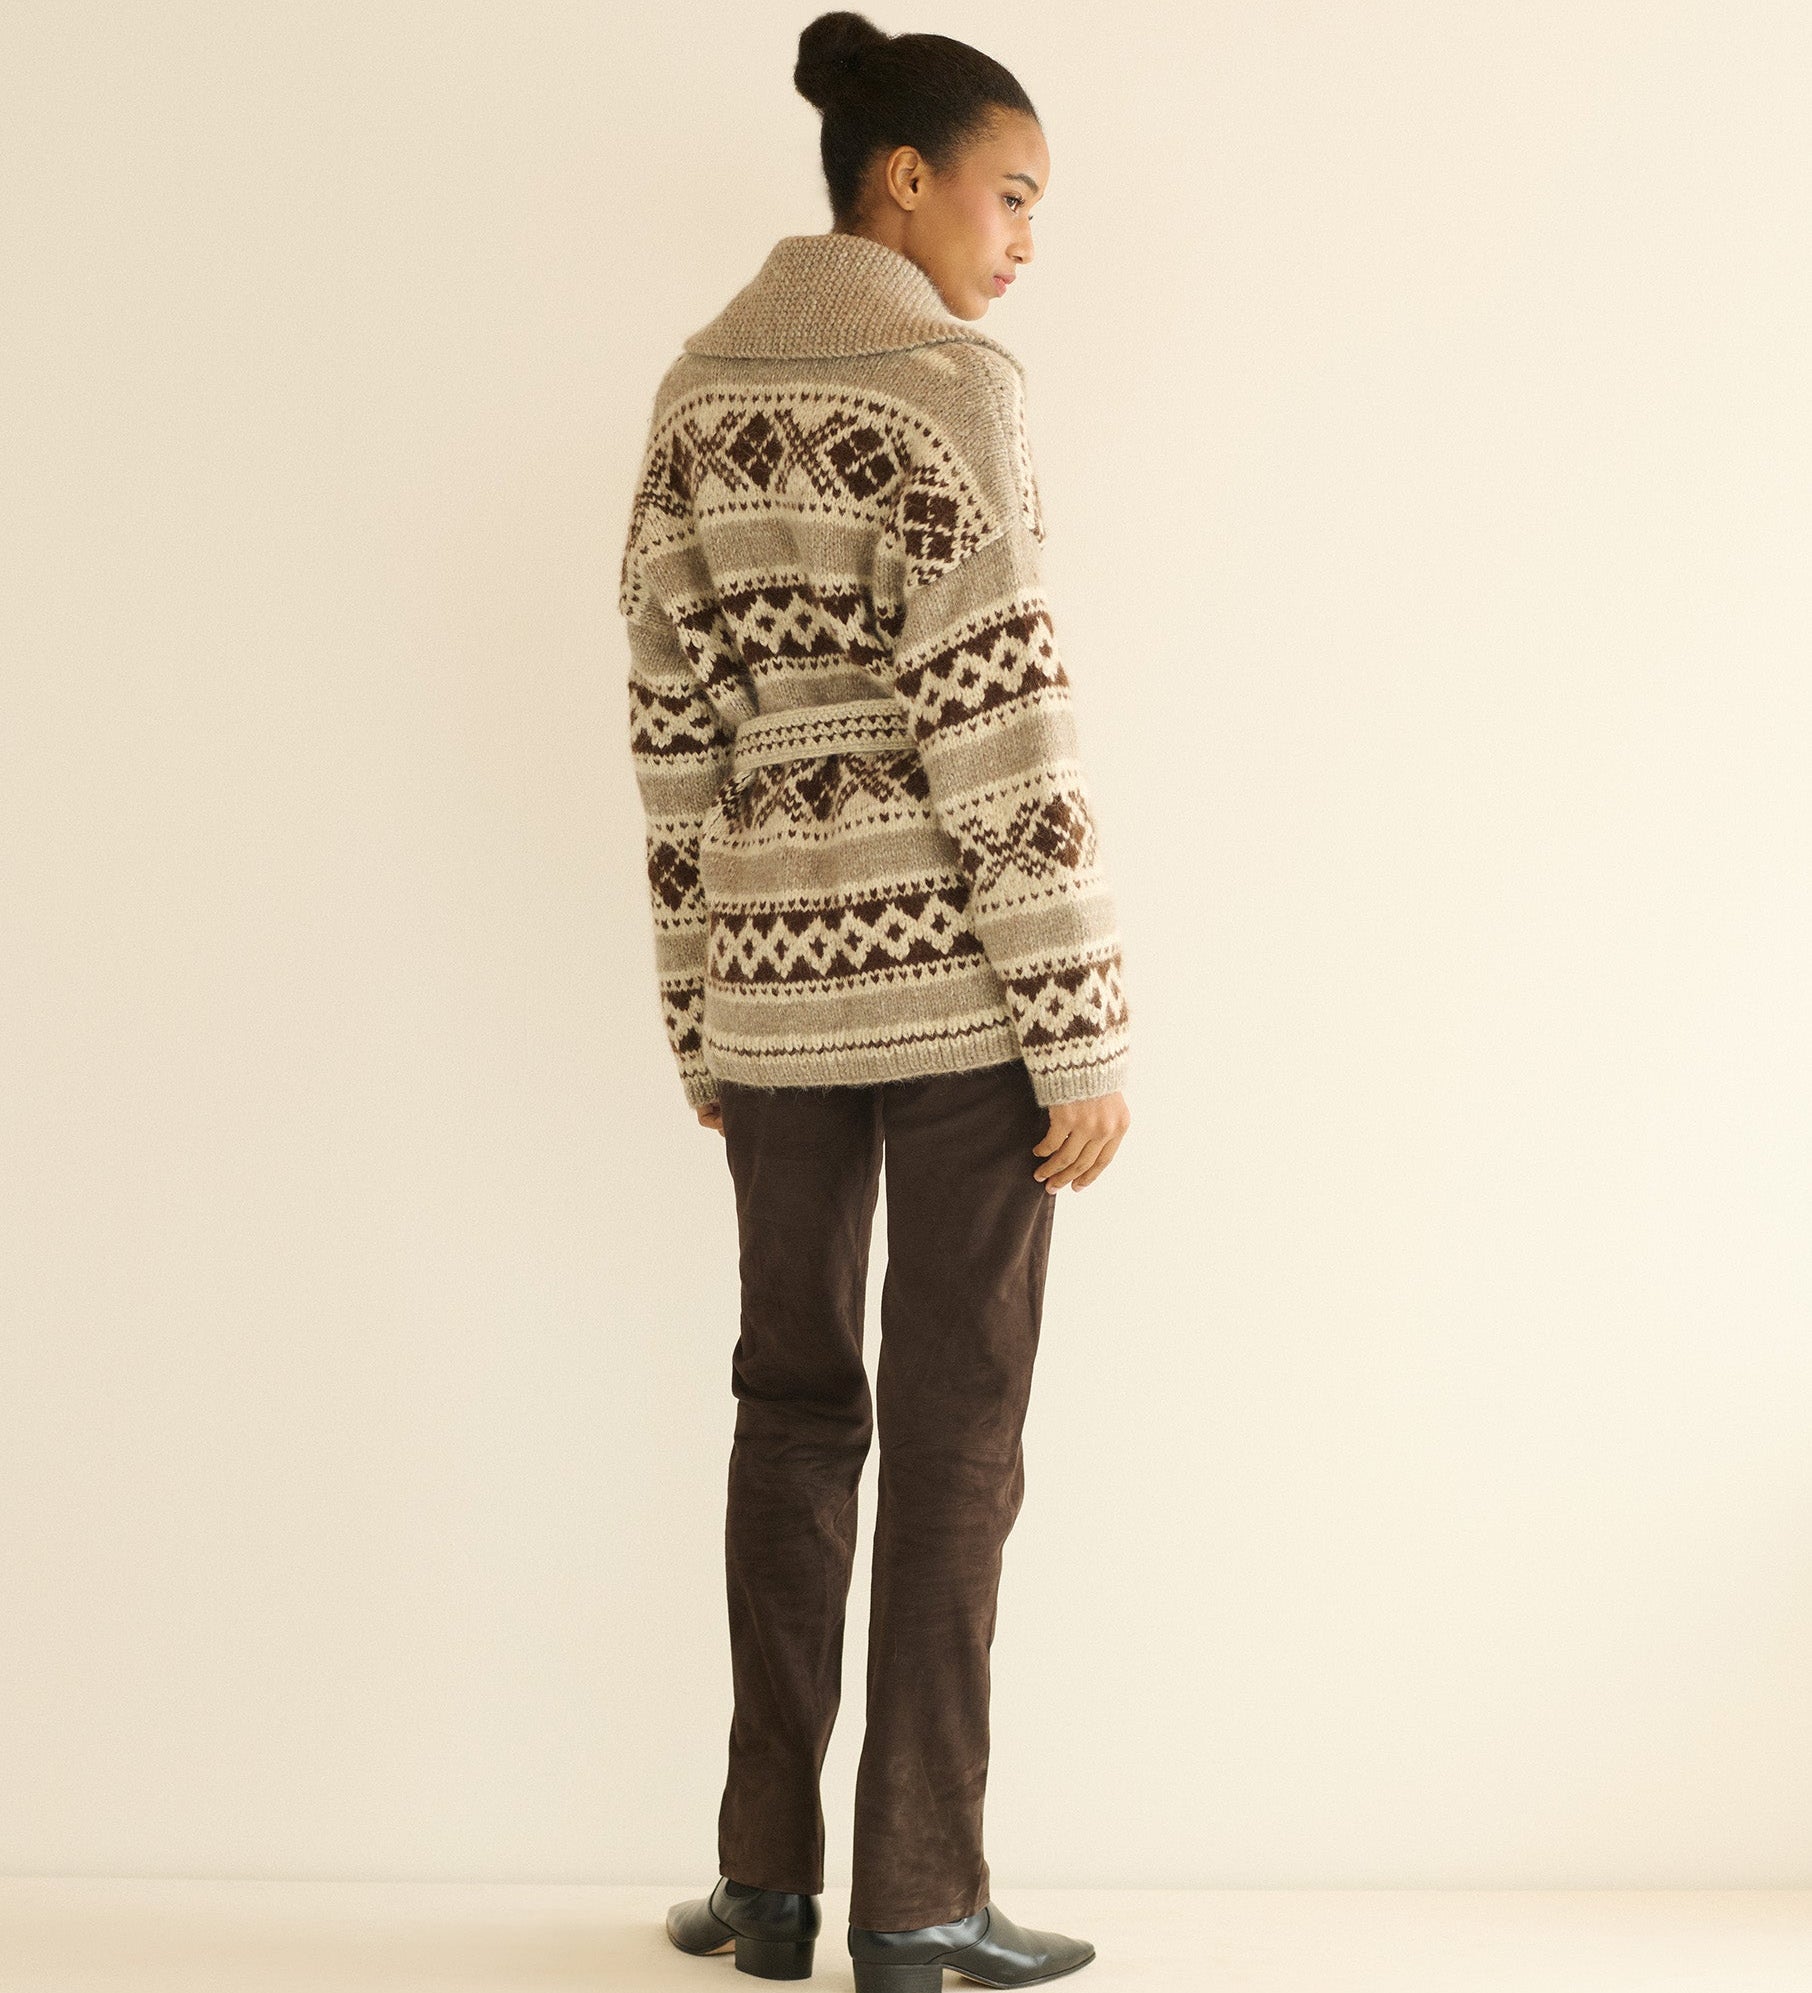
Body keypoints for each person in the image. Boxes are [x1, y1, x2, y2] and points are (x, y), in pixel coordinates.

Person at [621, 13, 1131, 1987]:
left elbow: (670, 732)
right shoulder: (950, 394)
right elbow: (1004, 724)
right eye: (1013, 196)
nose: (1027, 242)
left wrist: (700, 1009)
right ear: (902, 181)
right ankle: (918, 1891)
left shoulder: (694, 393)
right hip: (962, 1005)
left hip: (774, 1002)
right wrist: (1079, 1025)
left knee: (787, 1408)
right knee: (957, 1428)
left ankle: (764, 1880)